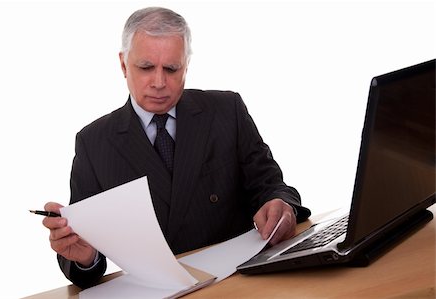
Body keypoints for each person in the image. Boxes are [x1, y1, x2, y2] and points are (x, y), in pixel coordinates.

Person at [42, 6, 311, 289]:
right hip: (158, 292)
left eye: (171, 69)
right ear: (123, 64)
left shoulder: (226, 111)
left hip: (241, 282)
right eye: (145, 67)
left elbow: (271, 185)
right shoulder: (93, 143)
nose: (159, 83)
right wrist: (86, 258)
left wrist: (280, 205)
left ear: (186, 65)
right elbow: (83, 252)